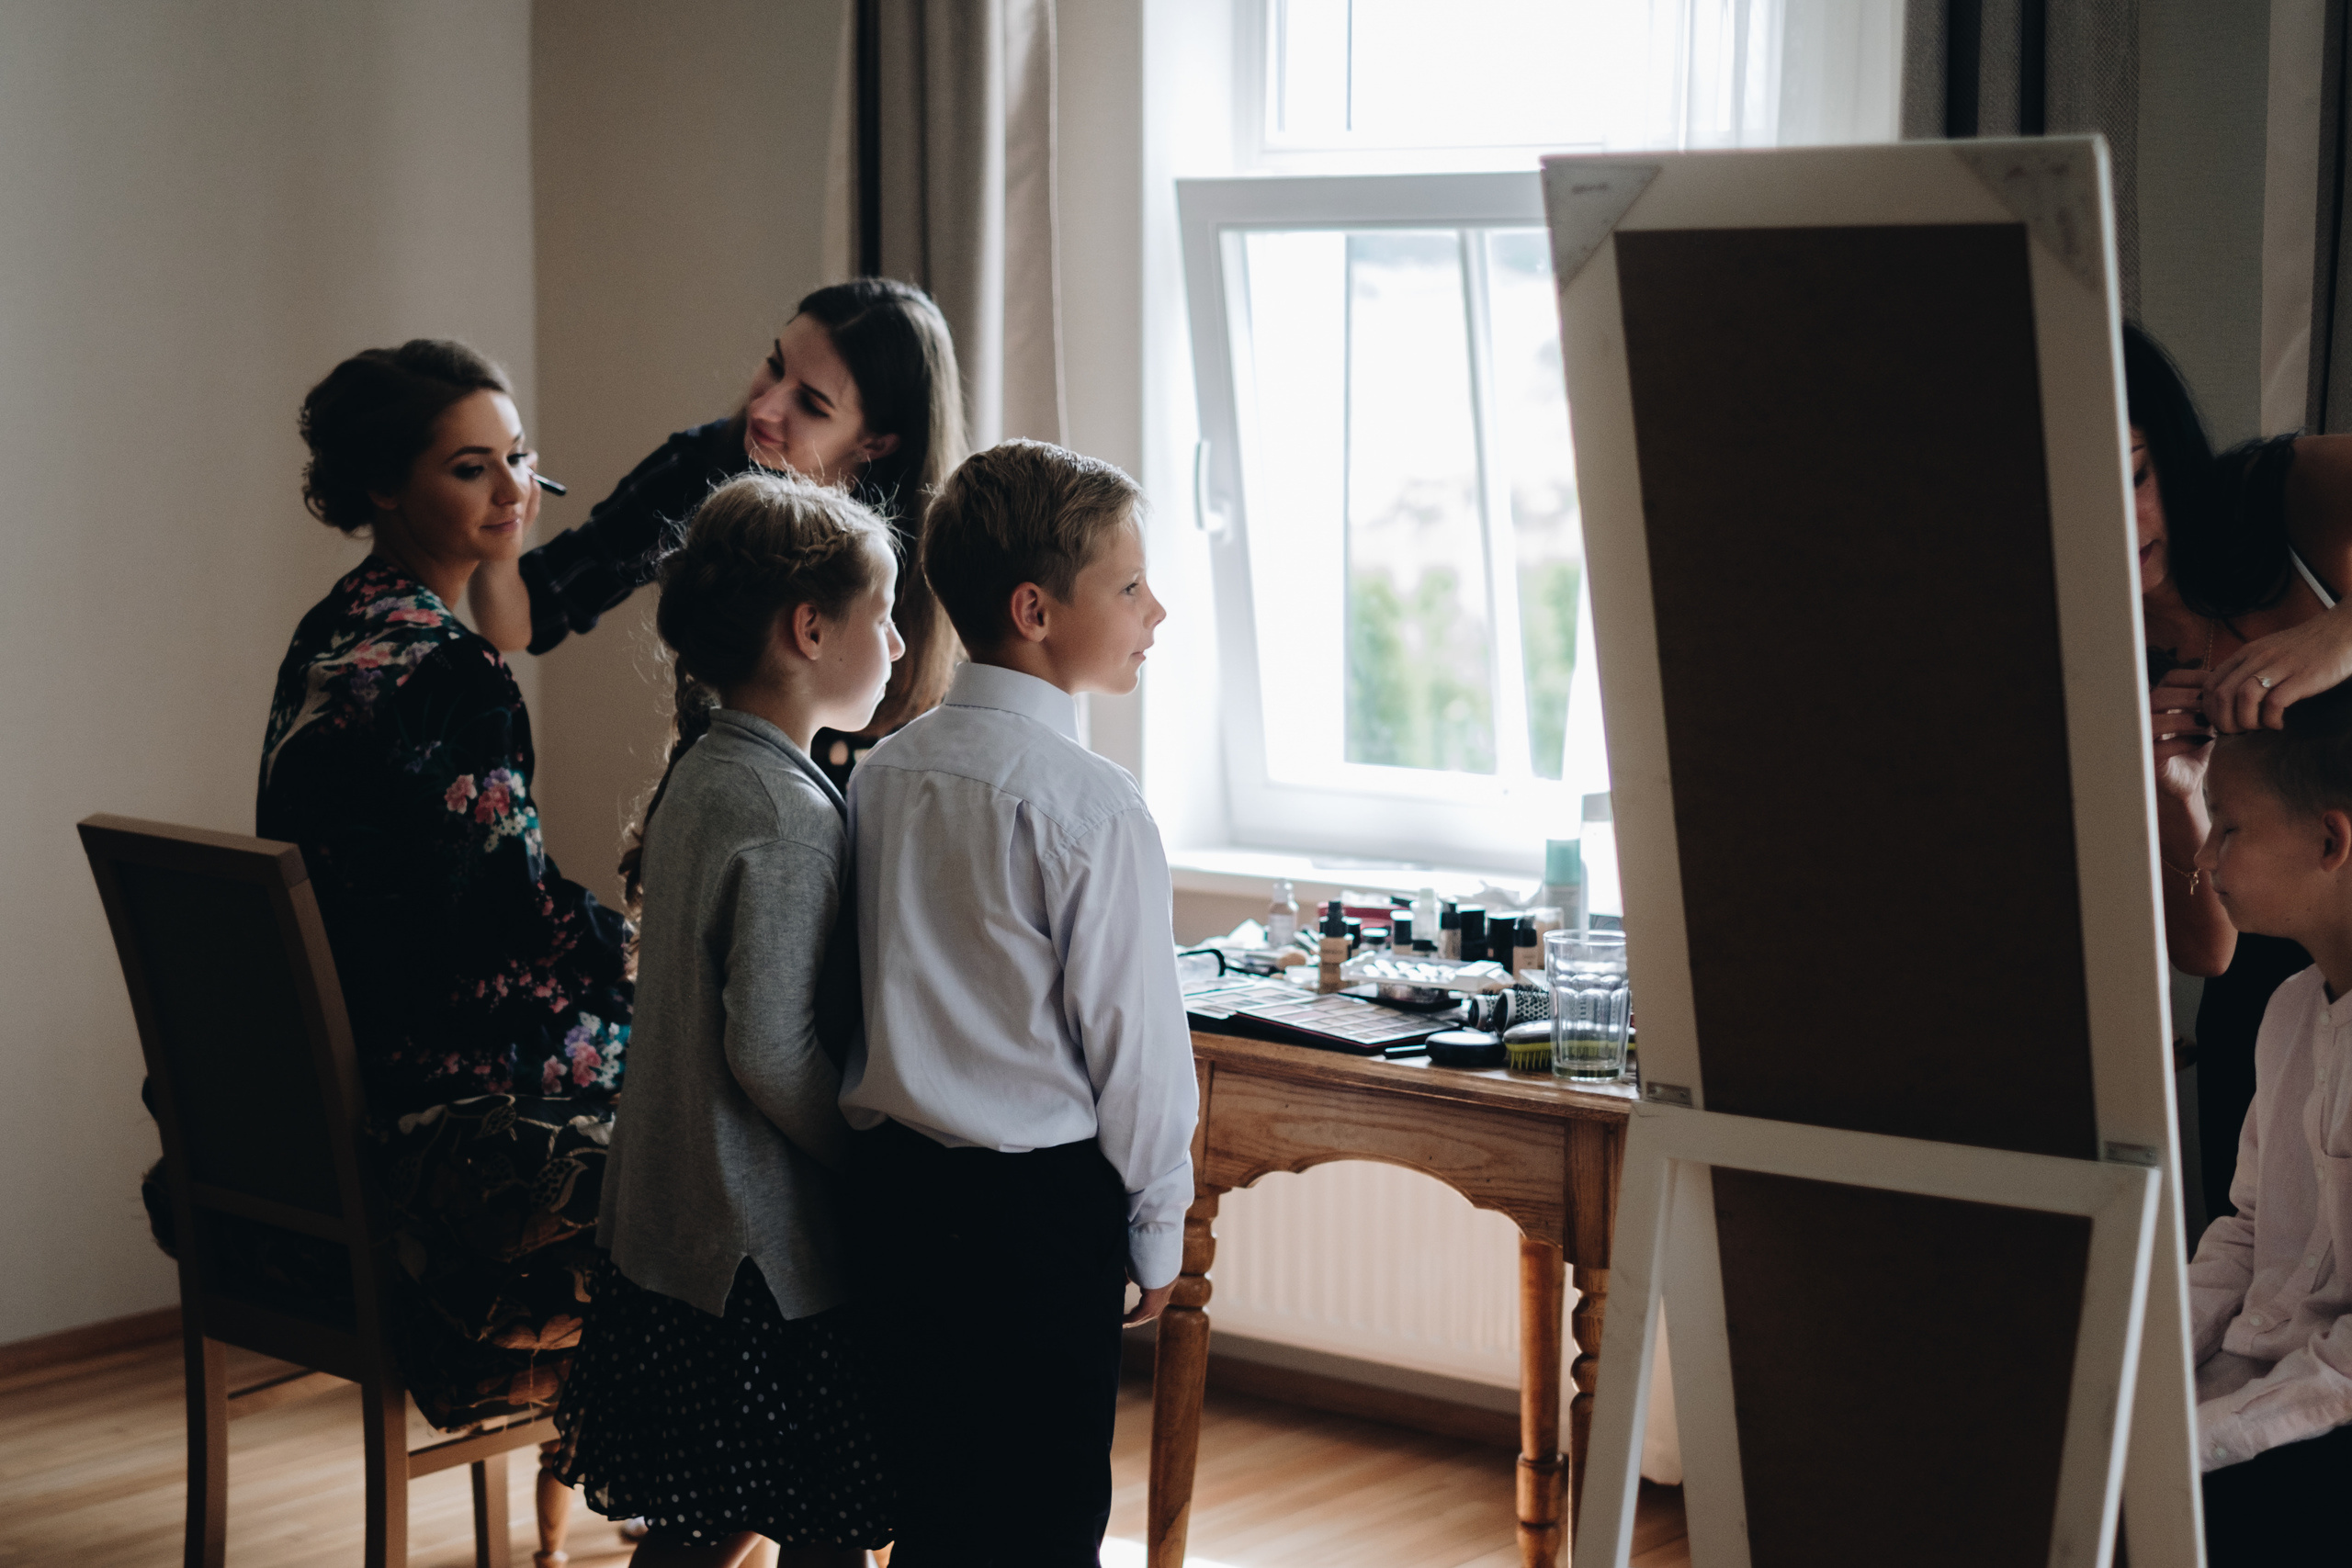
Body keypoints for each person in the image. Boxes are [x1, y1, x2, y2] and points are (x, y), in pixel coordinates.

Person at [256, 339, 633, 1429]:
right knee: (710, 1085)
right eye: (471, 468)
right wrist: (646, 954)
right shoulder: (451, 671)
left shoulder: (336, 628)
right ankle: (685, 1450)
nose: (514, 488)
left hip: (354, 1036)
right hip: (429, 1064)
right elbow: (511, 917)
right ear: (385, 484)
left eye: (519, 458)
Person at [840, 441, 1197, 1564]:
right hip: (1035, 1230)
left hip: (894, 1204)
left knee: (934, 1516)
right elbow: (1134, 1052)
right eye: (1130, 586)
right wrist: (1157, 1226)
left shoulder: (881, 772)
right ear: (1036, 608)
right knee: (1040, 1526)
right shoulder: (1093, 810)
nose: (1158, 610)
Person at [552, 473, 899, 1568]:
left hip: (672, 1230)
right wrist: (862, 1152)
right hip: (762, 1260)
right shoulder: (787, 813)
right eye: (881, 617)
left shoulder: (703, 772)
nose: (895, 644)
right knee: (824, 1522)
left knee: (701, 1526)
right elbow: (769, 1047)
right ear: (810, 629)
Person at [467, 277, 967, 788]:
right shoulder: (700, 470)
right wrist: (504, 518)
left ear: (876, 443)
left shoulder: (942, 541)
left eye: (812, 404)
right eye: (774, 365)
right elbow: (518, 619)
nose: (765, 409)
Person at [2131, 322, 2352, 1224]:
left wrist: (2340, 635)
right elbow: (2209, 952)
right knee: (2258, 1273)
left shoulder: (2284, 496)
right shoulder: (2076, 668)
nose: (2120, 523)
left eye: (2135, 475)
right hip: (2271, 1006)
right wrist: (2175, 803)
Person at [2183, 682, 2352, 1566]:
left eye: (2230, 827)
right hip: (2263, 1385)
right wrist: (2143, 1364)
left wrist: (2198, 1437)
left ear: (2331, 839)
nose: (2206, 856)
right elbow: (2246, 1232)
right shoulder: (2287, 1008)